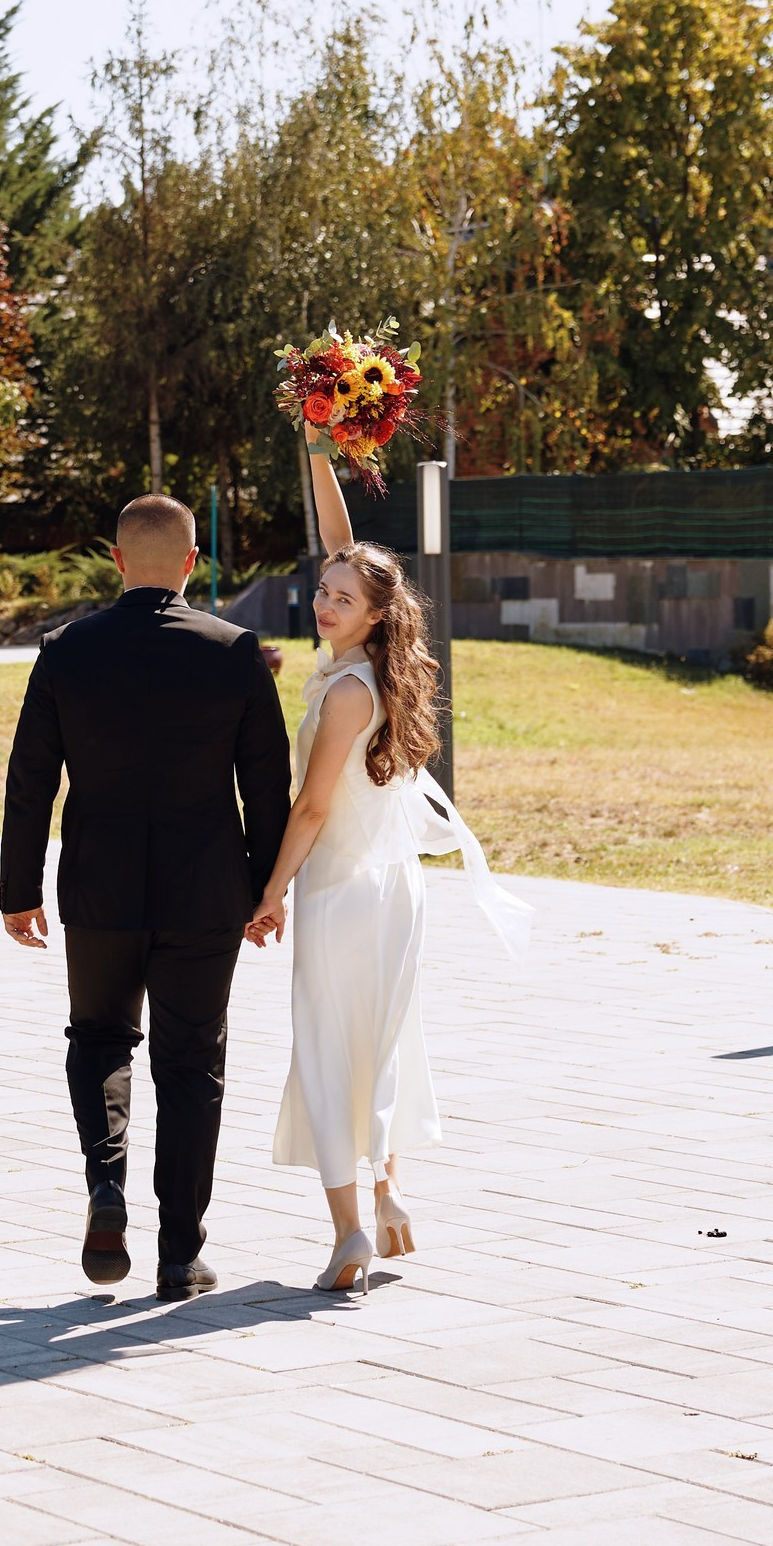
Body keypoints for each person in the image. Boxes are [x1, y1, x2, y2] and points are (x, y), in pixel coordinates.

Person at [245, 449, 530, 1293]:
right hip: (396, 888)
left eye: (341, 598)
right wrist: (318, 447)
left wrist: (270, 893)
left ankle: (349, 1235)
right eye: (324, 591)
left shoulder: (344, 694)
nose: (325, 602)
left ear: (373, 614)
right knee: (389, 1036)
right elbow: (342, 542)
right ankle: (391, 1188)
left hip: (341, 893)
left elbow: (312, 809)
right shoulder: (384, 670)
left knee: (330, 1048)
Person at [0, 494, 293, 1302]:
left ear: (119, 560)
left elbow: (30, 781)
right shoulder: (236, 650)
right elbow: (267, 784)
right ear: (193, 562)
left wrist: (17, 890)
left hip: (99, 886)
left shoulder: (67, 649)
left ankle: (105, 1185)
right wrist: (268, 889)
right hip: (207, 891)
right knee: (192, 1062)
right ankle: (178, 1255)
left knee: (99, 1040)